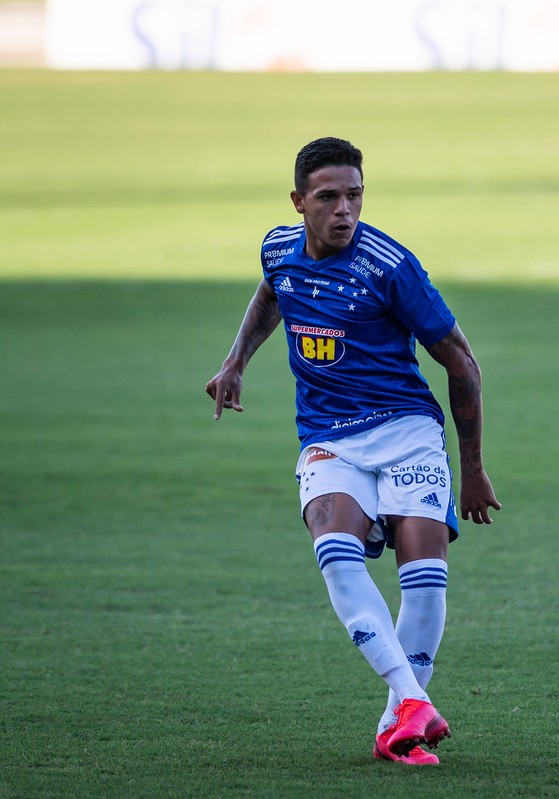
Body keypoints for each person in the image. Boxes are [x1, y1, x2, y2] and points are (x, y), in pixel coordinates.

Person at [206, 137, 501, 766]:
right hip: (329, 438)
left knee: (422, 576)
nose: (345, 210)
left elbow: (463, 362)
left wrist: (471, 470)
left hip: (406, 431)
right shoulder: (278, 250)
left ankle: (398, 720)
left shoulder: (390, 266)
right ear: (298, 203)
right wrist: (235, 363)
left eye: (356, 196)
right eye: (330, 197)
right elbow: (270, 295)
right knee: (336, 550)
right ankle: (410, 704)